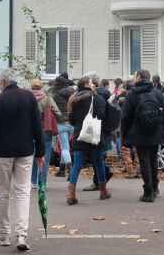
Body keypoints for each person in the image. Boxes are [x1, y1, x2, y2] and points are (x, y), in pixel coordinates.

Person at [0, 69, 44, 251]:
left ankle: (4, 234)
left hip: (3, 151)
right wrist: (40, 151)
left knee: (3, 192)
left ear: (3, 82)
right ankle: (21, 234)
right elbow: (37, 126)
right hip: (25, 150)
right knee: (23, 192)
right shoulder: (29, 98)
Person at [121, 69, 164, 203]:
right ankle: (155, 187)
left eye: (135, 76)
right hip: (155, 131)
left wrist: (125, 135)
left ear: (138, 77)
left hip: (139, 132)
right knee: (153, 160)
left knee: (144, 161)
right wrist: (162, 129)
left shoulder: (132, 94)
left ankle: (148, 192)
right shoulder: (157, 92)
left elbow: (125, 117)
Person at [66, 77, 109, 205]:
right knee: (99, 163)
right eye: (91, 82)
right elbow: (102, 115)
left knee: (77, 164)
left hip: (80, 135)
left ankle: (71, 193)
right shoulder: (97, 98)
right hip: (95, 135)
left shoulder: (73, 99)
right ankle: (103, 191)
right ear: (86, 84)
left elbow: (71, 120)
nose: (94, 84)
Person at [30, 79, 61, 188]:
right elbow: (58, 112)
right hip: (46, 129)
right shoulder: (47, 98)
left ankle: (33, 181)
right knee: (45, 157)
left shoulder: (28, 98)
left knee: (34, 155)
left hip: (32, 130)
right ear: (41, 87)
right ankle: (42, 182)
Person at [49, 73, 75, 178]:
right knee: (66, 147)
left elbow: (52, 109)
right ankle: (62, 169)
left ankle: (71, 170)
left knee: (64, 148)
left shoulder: (55, 95)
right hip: (72, 123)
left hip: (61, 123)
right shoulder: (73, 93)